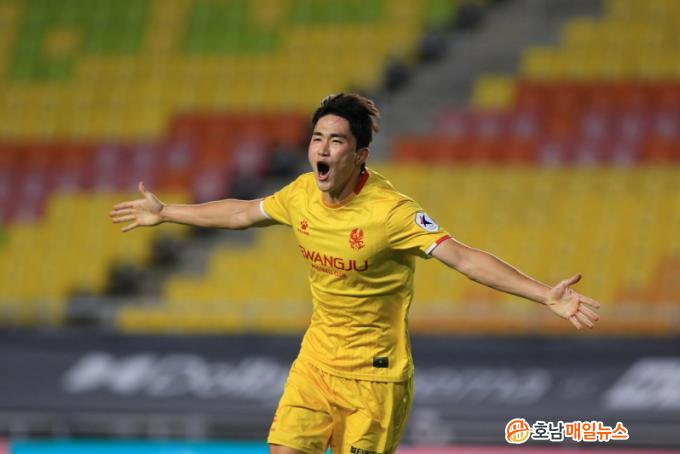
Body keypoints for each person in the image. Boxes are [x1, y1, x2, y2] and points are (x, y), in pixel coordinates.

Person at [109, 93, 600, 454]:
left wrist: (545, 295)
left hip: (376, 378)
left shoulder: (392, 213)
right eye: (317, 138)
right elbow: (241, 213)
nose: (322, 149)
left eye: (336, 140)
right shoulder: (301, 193)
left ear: (360, 155)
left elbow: (464, 258)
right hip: (316, 363)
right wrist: (166, 212)